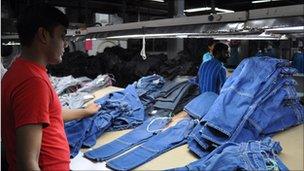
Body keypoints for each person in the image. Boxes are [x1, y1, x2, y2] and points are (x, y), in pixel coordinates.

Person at [1, 4, 101, 171]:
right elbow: (28, 163)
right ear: (43, 35)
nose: (66, 45)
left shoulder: (21, 71)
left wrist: (84, 112)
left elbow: (46, 114)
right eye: (62, 36)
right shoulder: (32, 82)